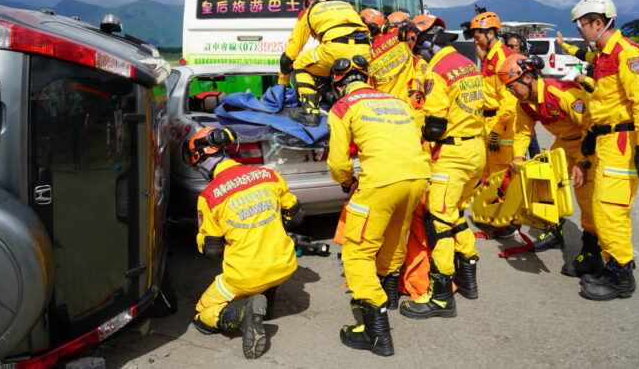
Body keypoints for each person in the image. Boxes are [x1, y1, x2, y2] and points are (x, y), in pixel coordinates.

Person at [327, 55, 429, 356]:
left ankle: (375, 331)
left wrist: (347, 181)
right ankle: (389, 295)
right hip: (418, 177)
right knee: (396, 237)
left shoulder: (343, 107)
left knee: (356, 252)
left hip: (381, 181)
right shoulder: (396, 101)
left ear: (337, 84)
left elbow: (338, 161)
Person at [186, 126, 303, 358]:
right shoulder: (268, 175)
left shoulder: (209, 197)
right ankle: (264, 305)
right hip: (284, 266)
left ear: (201, 159)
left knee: (202, 313)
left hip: (245, 278)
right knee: (264, 265)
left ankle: (239, 315)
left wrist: (203, 234)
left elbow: (212, 251)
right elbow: (296, 215)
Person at [569, 0, 639, 301]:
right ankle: (610, 265)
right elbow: (604, 103)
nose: (580, 31)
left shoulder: (625, 53)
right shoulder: (604, 55)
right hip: (605, 140)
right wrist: (591, 138)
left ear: (597, 22)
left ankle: (621, 277)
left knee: (610, 211)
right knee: (601, 207)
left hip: (622, 142)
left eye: (582, 25)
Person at [399, 22, 486, 319]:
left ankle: (440, 296)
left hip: (451, 155)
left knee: (438, 222)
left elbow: (435, 127)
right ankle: (468, 276)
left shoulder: (437, 71)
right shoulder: (467, 64)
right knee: (458, 216)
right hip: (475, 151)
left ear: (426, 43)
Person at [498, 55, 602, 274]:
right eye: (508, 89)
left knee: (585, 197)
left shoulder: (561, 93)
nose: (512, 92)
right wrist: (518, 157)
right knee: (546, 186)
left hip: (587, 144)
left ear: (527, 78)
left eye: (512, 86)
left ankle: (592, 252)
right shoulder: (525, 103)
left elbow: (590, 126)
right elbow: (523, 131)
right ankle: (554, 231)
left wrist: (583, 162)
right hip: (562, 145)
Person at [279, 0, 371, 126]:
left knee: (300, 66)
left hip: (334, 49)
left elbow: (291, 53)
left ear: (309, 1)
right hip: (364, 49)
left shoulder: (309, 12)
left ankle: (310, 113)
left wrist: (282, 83)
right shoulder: (347, 6)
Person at [468, 11, 517, 237]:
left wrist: (497, 131)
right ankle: (494, 216)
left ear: (490, 33)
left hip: (500, 124)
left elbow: (509, 100)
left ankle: (506, 222)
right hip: (488, 121)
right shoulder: (491, 55)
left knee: (501, 174)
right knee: (487, 174)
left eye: (478, 35)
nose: (475, 40)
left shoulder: (503, 58)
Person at [504, 33, 541, 157]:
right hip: (514, 109)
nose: (509, 49)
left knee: (531, 137)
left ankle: (536, 158)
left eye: (512, 46)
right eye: (507, 46)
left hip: (525, 107)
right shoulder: (505, 65)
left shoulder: (525, 65)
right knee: (522, 136)